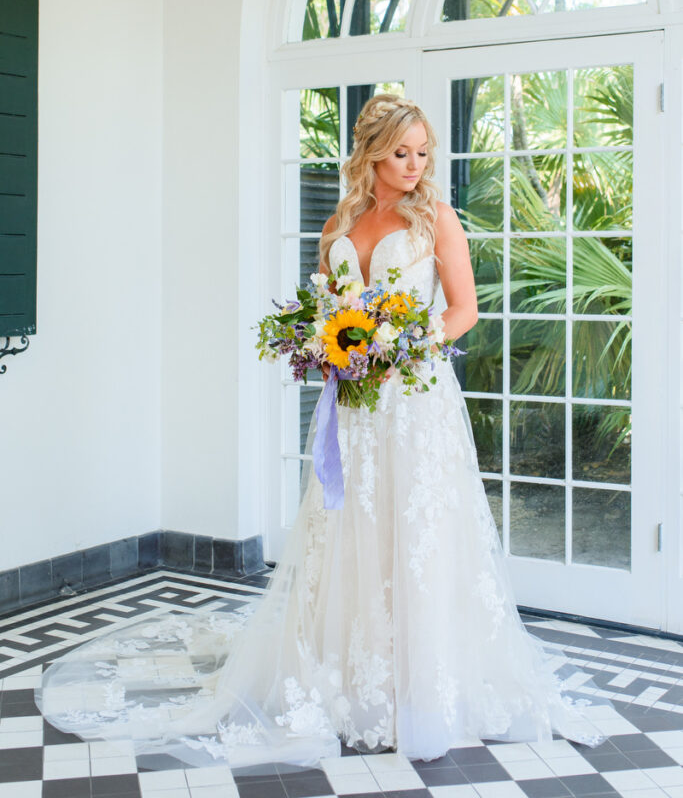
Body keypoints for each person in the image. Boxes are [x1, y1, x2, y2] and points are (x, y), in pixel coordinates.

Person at [35, 94, 611, 774]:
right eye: (401, 152)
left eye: (423, 151)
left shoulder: (435, 218)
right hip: (355, 406)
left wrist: (405, 345)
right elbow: (328, 307)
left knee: (415, 528)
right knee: (348, 528)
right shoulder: (339, 221)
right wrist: (326, 344)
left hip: (414, 399)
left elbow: (463, 311)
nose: (414, 164)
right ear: (369, 154)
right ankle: (342, 669)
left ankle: (419, 682)